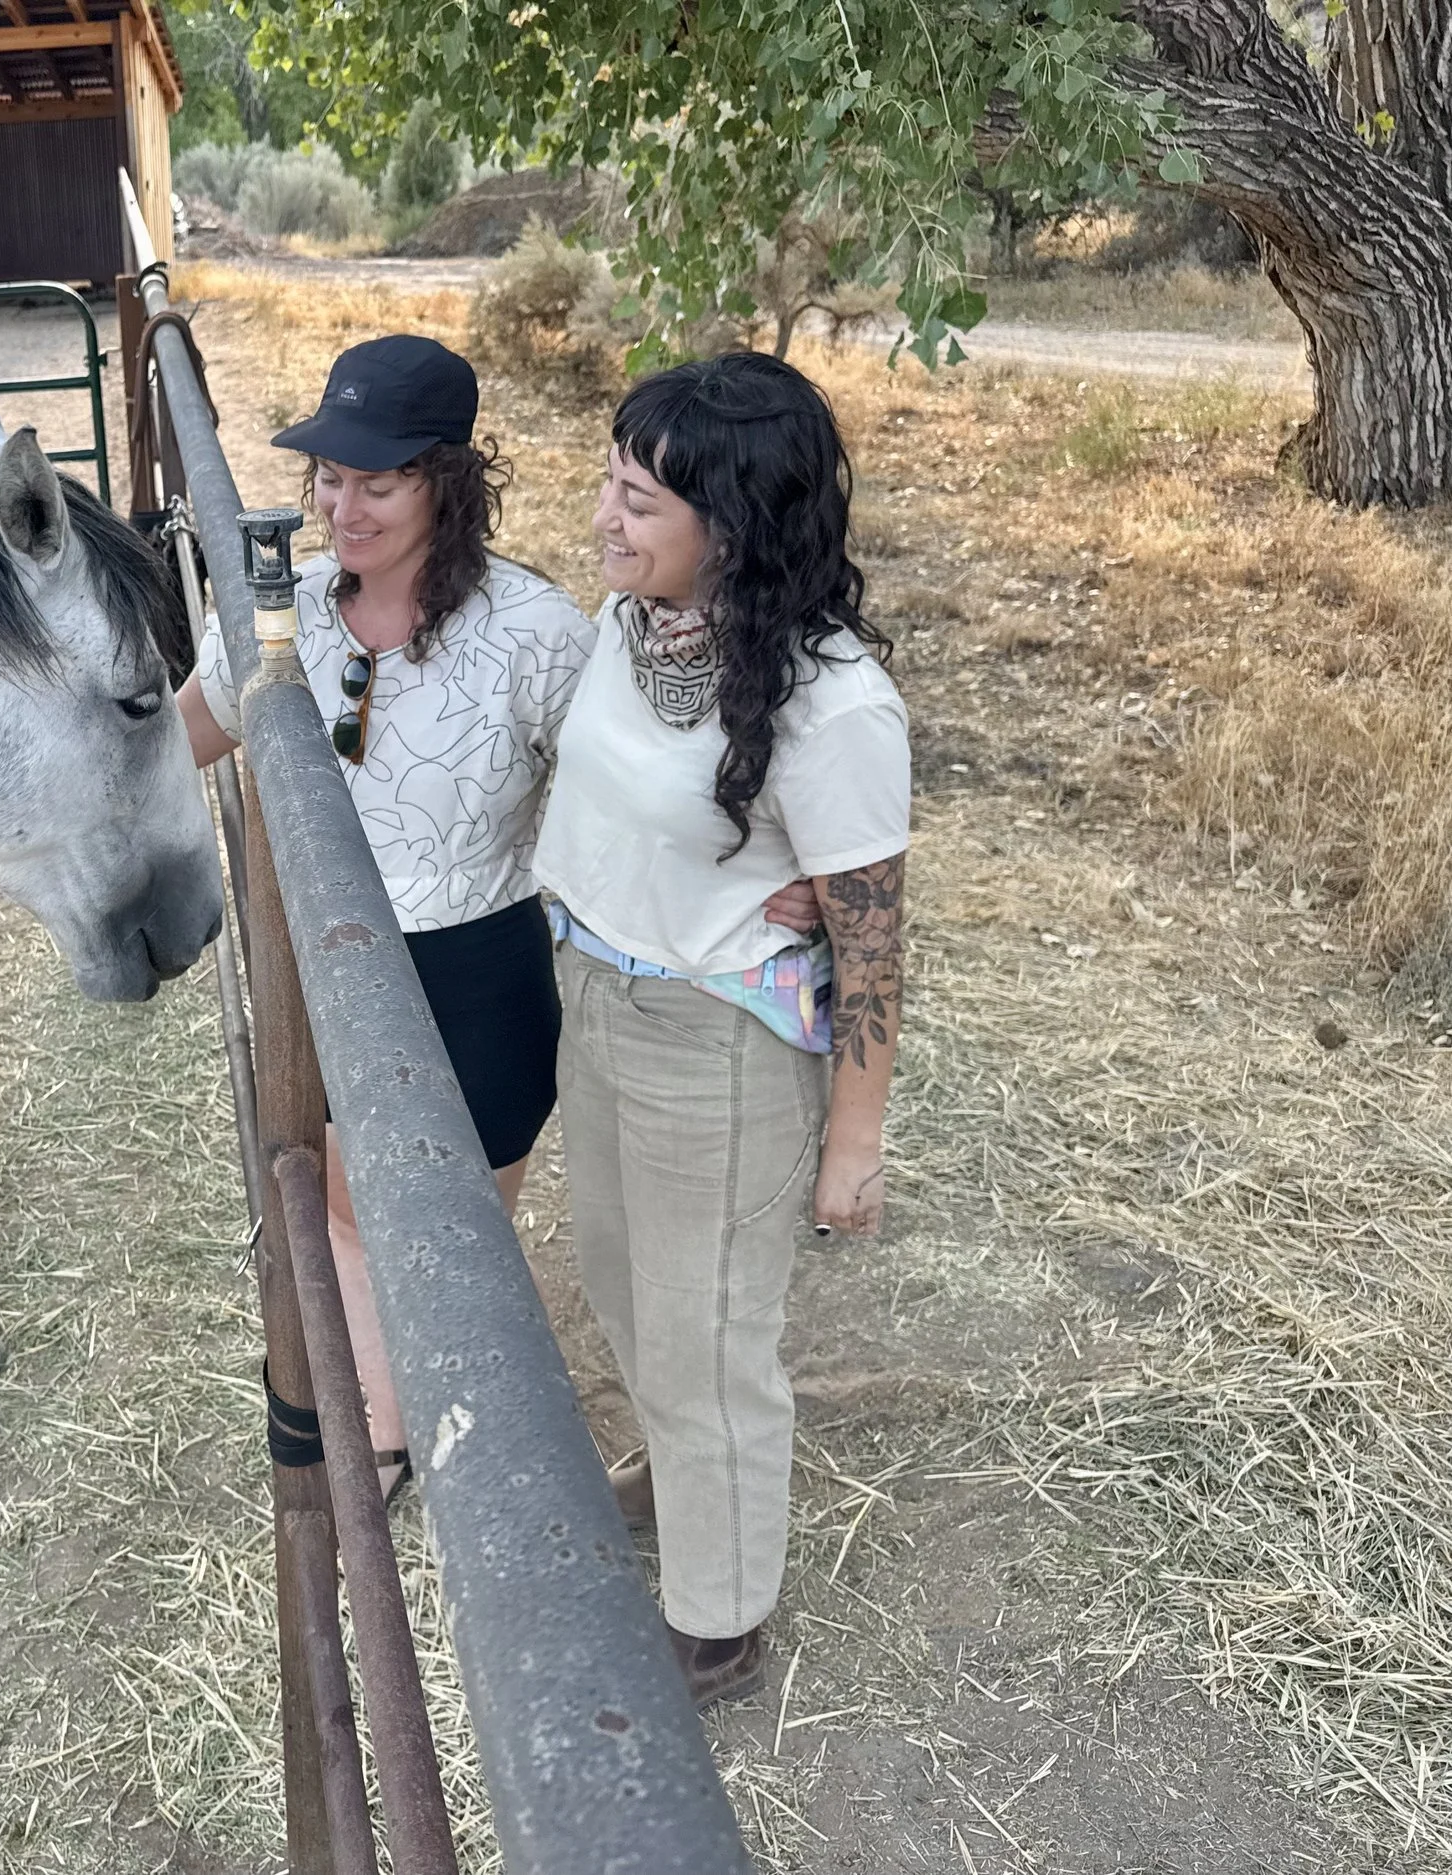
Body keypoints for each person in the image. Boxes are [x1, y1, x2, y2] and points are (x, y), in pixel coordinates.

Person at [174, 336, 817, 1498]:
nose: (342, 505)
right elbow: (193, 727)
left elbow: (653, 776)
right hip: (316, 963)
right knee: (339, 1210)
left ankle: (448, 1413)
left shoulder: (536, 633)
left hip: (475, 972)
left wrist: (785, 857)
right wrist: (27, 811)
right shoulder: (289, 611)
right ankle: (383, 1432)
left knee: (460, 1236)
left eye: (380, 481)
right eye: (329, 477)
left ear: (447, 483)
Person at [534, 350, 910, 1708]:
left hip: (717, 1039)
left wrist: (852, 1142)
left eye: (637, 499)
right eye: (610, 483)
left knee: (710, 1329)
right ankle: (683, 1468)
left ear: (733, 527)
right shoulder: (634, 624)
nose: (603, 518)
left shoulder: (835, 703)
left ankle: (722, 1606)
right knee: (626, 1281)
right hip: (594, 990)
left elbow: (869, 933)